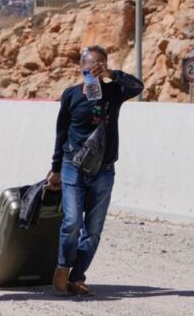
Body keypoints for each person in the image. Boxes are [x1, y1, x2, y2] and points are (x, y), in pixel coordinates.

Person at [47, 45, 143, 297]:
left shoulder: (114, 92)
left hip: (104, 170)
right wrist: (55, 168)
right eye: (91, 66)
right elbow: (61, 133)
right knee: (72, 222)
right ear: (82, 68)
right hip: (73, 167)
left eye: (100, 66)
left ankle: (77, 276)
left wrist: (112, 74)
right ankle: (62, 266)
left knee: (93, 229)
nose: (95, 71)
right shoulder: (71, 95)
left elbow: (137, 86)